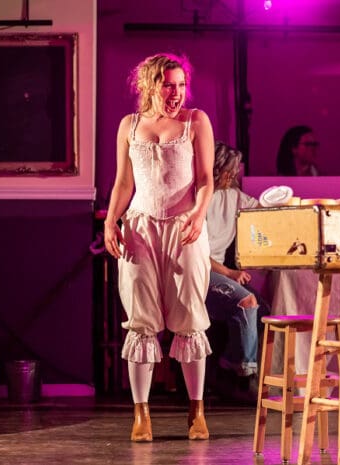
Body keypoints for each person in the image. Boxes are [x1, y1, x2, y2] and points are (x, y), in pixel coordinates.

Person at [103, 53, 215, 442]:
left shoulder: (196, 121)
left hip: (184, 226)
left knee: (189, 315)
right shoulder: (129, 125)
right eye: (169, 85)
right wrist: (110, 221)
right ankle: (141, 414)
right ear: (150, 85)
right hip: (140, 226)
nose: (176, 93)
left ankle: (196, 411)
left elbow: (206, 179)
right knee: (141, 318)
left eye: (181, 85)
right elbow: (123, 183)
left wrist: (199, 214)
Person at [205, 141, 269, 403]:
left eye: (235, 170)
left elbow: (262, 210)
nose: (233, 175)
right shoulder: (199, 198)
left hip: (219, 272)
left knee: (263, 311)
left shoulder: (233, 196)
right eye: (229, 170)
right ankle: (242, 375)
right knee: (246, 302)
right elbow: (194, 254)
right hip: (198, 272)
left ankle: (229, 367)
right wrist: (229, 274)